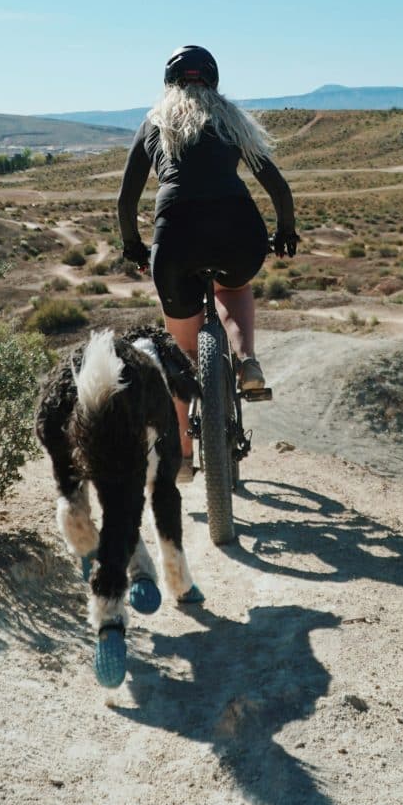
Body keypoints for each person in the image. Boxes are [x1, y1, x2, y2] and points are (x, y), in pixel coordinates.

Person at [117, 45, 298, 480]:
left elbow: (126, 199)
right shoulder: (232, 119)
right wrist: (286, 232)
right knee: (233, 288)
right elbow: (276, 184)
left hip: (175, 236)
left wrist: (134, 248)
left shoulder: (154, 121)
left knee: (181, 351)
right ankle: (247, 359)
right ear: (213, 80)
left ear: (169, 81)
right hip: (237, 231)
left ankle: (180, 455)